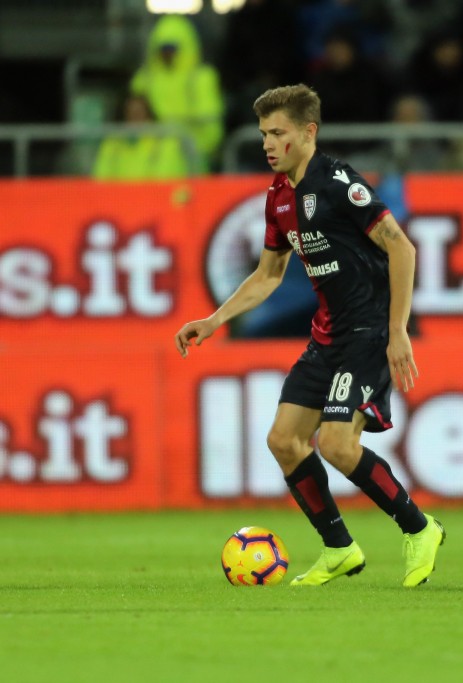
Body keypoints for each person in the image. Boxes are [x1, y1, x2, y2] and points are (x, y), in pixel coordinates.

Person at [173, 84, 445, 588]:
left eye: (278, 133)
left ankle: (420, 528)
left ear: (308, 132)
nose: (268, 144)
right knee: (284, 440)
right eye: (263, 134)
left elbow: (402, 249)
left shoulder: (340, 183)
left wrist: (397, 330)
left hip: (366, 332)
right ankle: (339, 549)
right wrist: (214, 321)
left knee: (339, 444)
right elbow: (268, 275)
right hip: (327, 336)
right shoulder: (278, 197)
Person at [130, 14, 224, 172]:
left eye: (172, 48)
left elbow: (211, 126)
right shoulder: (144, 78)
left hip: (189, 153)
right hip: (145, 153)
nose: (167, 53)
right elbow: (132, 119)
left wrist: (193, 147)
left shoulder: (201, 78)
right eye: (162, 48)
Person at [92, 94, 191, 181]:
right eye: (130, 112)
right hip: (117, 198)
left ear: (149, 114)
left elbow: (165, 180)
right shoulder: (112, 143)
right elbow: (100, 178)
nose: (135, 117)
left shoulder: (167, 143)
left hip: (153, 198)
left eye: (140, 112)